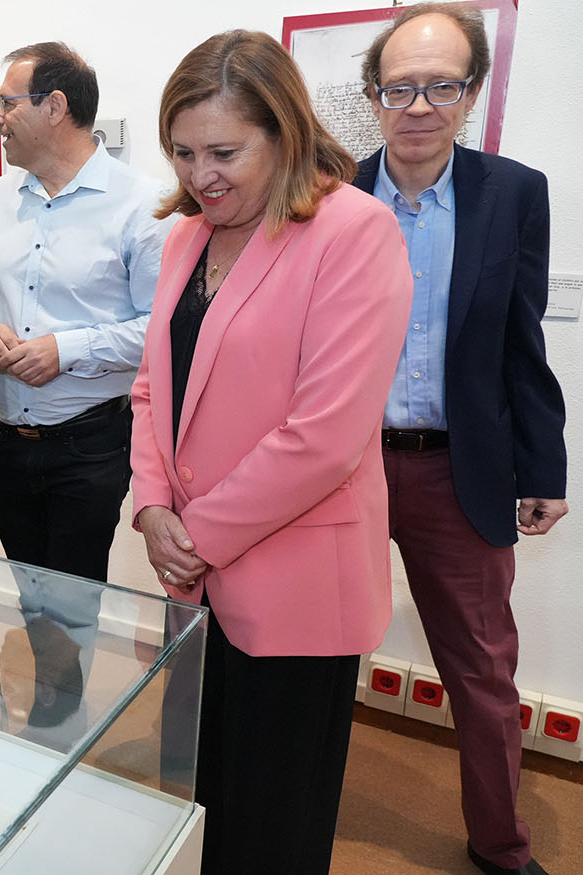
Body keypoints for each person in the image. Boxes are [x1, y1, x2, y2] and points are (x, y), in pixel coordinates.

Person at [130, 31, 413, 873]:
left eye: (223, 151)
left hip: (292, 587)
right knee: (200, 794)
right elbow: (153, 387)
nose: (199, 175)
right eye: (181, 153)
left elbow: (323, 435)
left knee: (272, 823)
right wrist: (150, 503)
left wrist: (196, 533)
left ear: (282, 132)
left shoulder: (352, 231)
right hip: (194, 576)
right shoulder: (186, 237)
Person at [355, 6, 567, 874]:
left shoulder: (512, 192)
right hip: (344, 472)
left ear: (471, 91)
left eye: (440, 85)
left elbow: (522, 337)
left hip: (459, 470)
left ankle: (499, 846)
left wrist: (543, 464)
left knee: (480, 674)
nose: (418, 105)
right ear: (372, 97)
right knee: (315, 655)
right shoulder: (328, 191)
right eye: (399, 86)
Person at [0, 41, 173, 584]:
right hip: (5, 441)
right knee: (31, 595)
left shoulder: (145, 205)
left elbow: (163, 328)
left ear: (54, 107)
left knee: (75, 604)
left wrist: (67, 350)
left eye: (8, 103)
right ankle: (46, 667)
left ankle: (63, 671)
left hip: (91, 447)